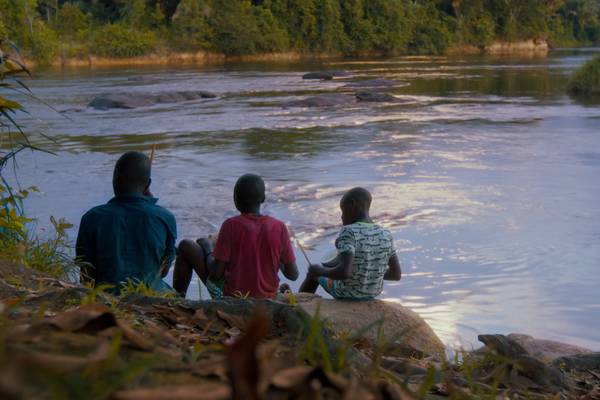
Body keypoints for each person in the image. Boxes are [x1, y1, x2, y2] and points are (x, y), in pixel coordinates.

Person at [174, 173, 298, 299]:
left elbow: (216, 273)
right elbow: (293, 275)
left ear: (235, 199)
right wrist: (276, 255)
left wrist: (207, 248)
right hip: (268, 300)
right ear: (263, 198)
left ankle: (177, 299)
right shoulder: (279, 227)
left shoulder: (230, 225)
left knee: (186, 246)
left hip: (233, 300)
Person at [76, 151, 177, 292]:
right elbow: (163, 271)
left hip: (106, 297)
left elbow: (86, 273)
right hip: (154, 296)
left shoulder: (92, 217)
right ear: (148, 184)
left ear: (116, 177)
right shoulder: (165, 217)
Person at [299, 187, 401, 299]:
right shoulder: (386, 234)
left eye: (343, 211)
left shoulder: (348, 231)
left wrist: (320, 270)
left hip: (346, 292)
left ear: (352, 204)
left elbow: (344, 273)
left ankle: (299, 304)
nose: (342, 216)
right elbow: (396, 275)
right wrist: (369, 272)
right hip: (373, 293)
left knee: (314, 275)